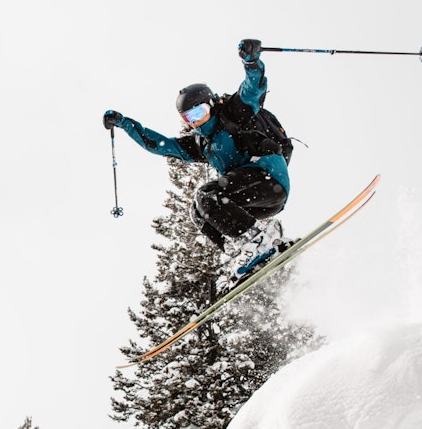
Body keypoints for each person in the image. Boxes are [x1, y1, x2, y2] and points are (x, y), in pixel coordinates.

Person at [103, 38, 292, 279]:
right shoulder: (201, 144)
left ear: (211, 104)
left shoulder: (234, 112)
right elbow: (159, 145)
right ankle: (240, 251)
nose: (195, 122)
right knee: (198, 211)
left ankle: (258, 240)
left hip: (268, 180)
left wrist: (251, 61)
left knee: (206, 194)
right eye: (188, 118)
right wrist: (124, 123)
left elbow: (253, 88)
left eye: (199, 113)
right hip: (251, 200)